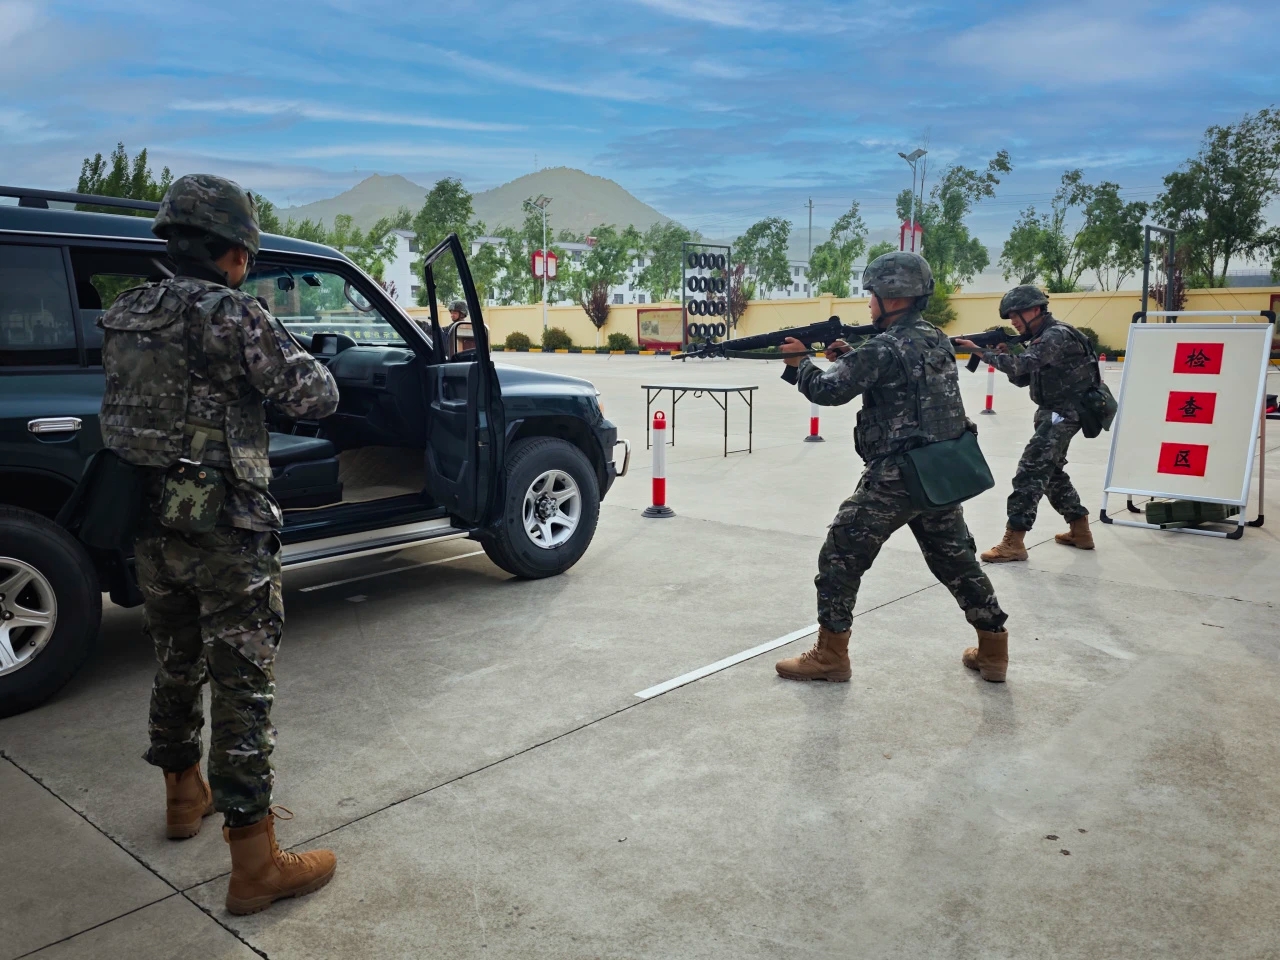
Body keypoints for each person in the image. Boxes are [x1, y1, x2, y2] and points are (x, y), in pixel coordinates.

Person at [97, 174, 342, 915]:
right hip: (226, 529)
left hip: (148, 523)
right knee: (243, 685)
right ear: (233, 252)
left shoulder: (125, 311)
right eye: (247, 254)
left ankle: (182, 796)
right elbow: (316, 395)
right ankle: (255, 861)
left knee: (174, 659)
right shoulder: (233, 314)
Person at [775, 252, 1011, 684]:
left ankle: (831, 655)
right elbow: (898, 373)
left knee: (841, 554)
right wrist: (850, 353)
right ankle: (994, 651)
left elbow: (829, 391)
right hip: (939, 472)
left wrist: (799, 364)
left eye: (872, 293)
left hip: (897, 476)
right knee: (957, 561)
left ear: (892, 296)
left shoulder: (883, 347)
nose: (868, 302)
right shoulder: (934, 337)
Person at [955, 285, 1097, 563]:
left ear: (1036, 309)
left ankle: (1014, 540)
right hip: (1057, 412)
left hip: (1064, 413)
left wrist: (981, 352)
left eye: (1018, 314)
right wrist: (1004, 354)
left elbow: (1021, 366)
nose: (1015, 321)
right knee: (1051, 471)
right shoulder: (1042, 337)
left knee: (1030, 471)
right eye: (1010, 317)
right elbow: (1023, 377)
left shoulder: (1055, 335)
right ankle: (1080, 529)